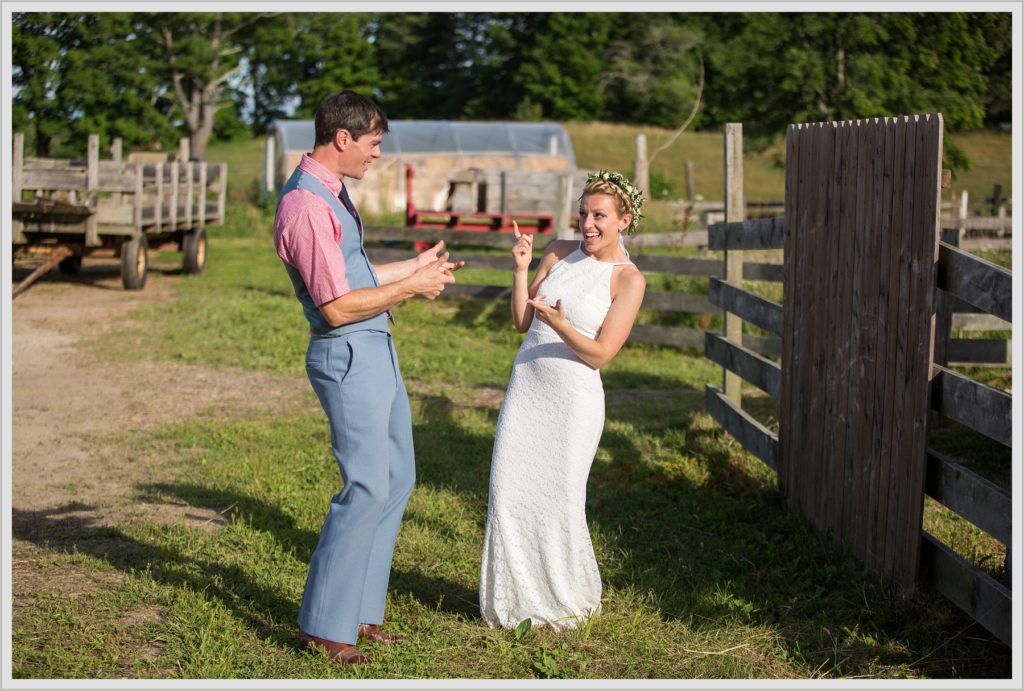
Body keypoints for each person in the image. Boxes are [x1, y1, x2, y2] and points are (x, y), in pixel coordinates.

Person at [274, 89, 463, 665]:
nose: (377, 154)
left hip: (374, 346)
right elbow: (335, 306)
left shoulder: (331, 192)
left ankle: (359, 609)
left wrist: (413, 267)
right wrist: (411, 289)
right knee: (364, 486)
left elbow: (351, 275)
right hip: (347, 352)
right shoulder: (307, 205)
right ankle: (324, 626)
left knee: (397, 477)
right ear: (343, 138)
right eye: (374, 142)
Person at [479, 170, 647, 630]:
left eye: (600, 216)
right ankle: (512, 605)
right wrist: (519, 269)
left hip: (572, 403)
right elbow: (520, 321)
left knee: (558, 500)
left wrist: (560, 325)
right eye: (583, 214)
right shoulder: (556, 252)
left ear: (624, 220)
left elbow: (600, 354)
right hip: (526, 391)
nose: (587, 224)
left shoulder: (628, 279)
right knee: (508, 493)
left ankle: (562, 600)